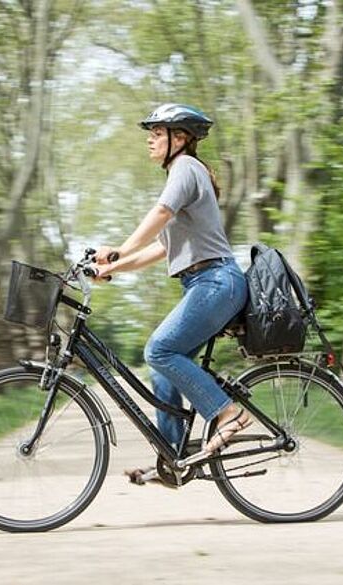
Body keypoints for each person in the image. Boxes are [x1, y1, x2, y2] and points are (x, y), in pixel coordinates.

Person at [94, 103, 250, 479]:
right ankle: (175, 461)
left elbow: (160, 214)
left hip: (216, 282)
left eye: (156, 133)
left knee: (159, 350)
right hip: (205, 283)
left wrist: (119, 249)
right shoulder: (183, 175)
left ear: (179, 138)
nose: (149, 140)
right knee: (163, 369)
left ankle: (228, 412)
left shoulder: (185, 168)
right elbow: (161, 248)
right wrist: (112, 267)